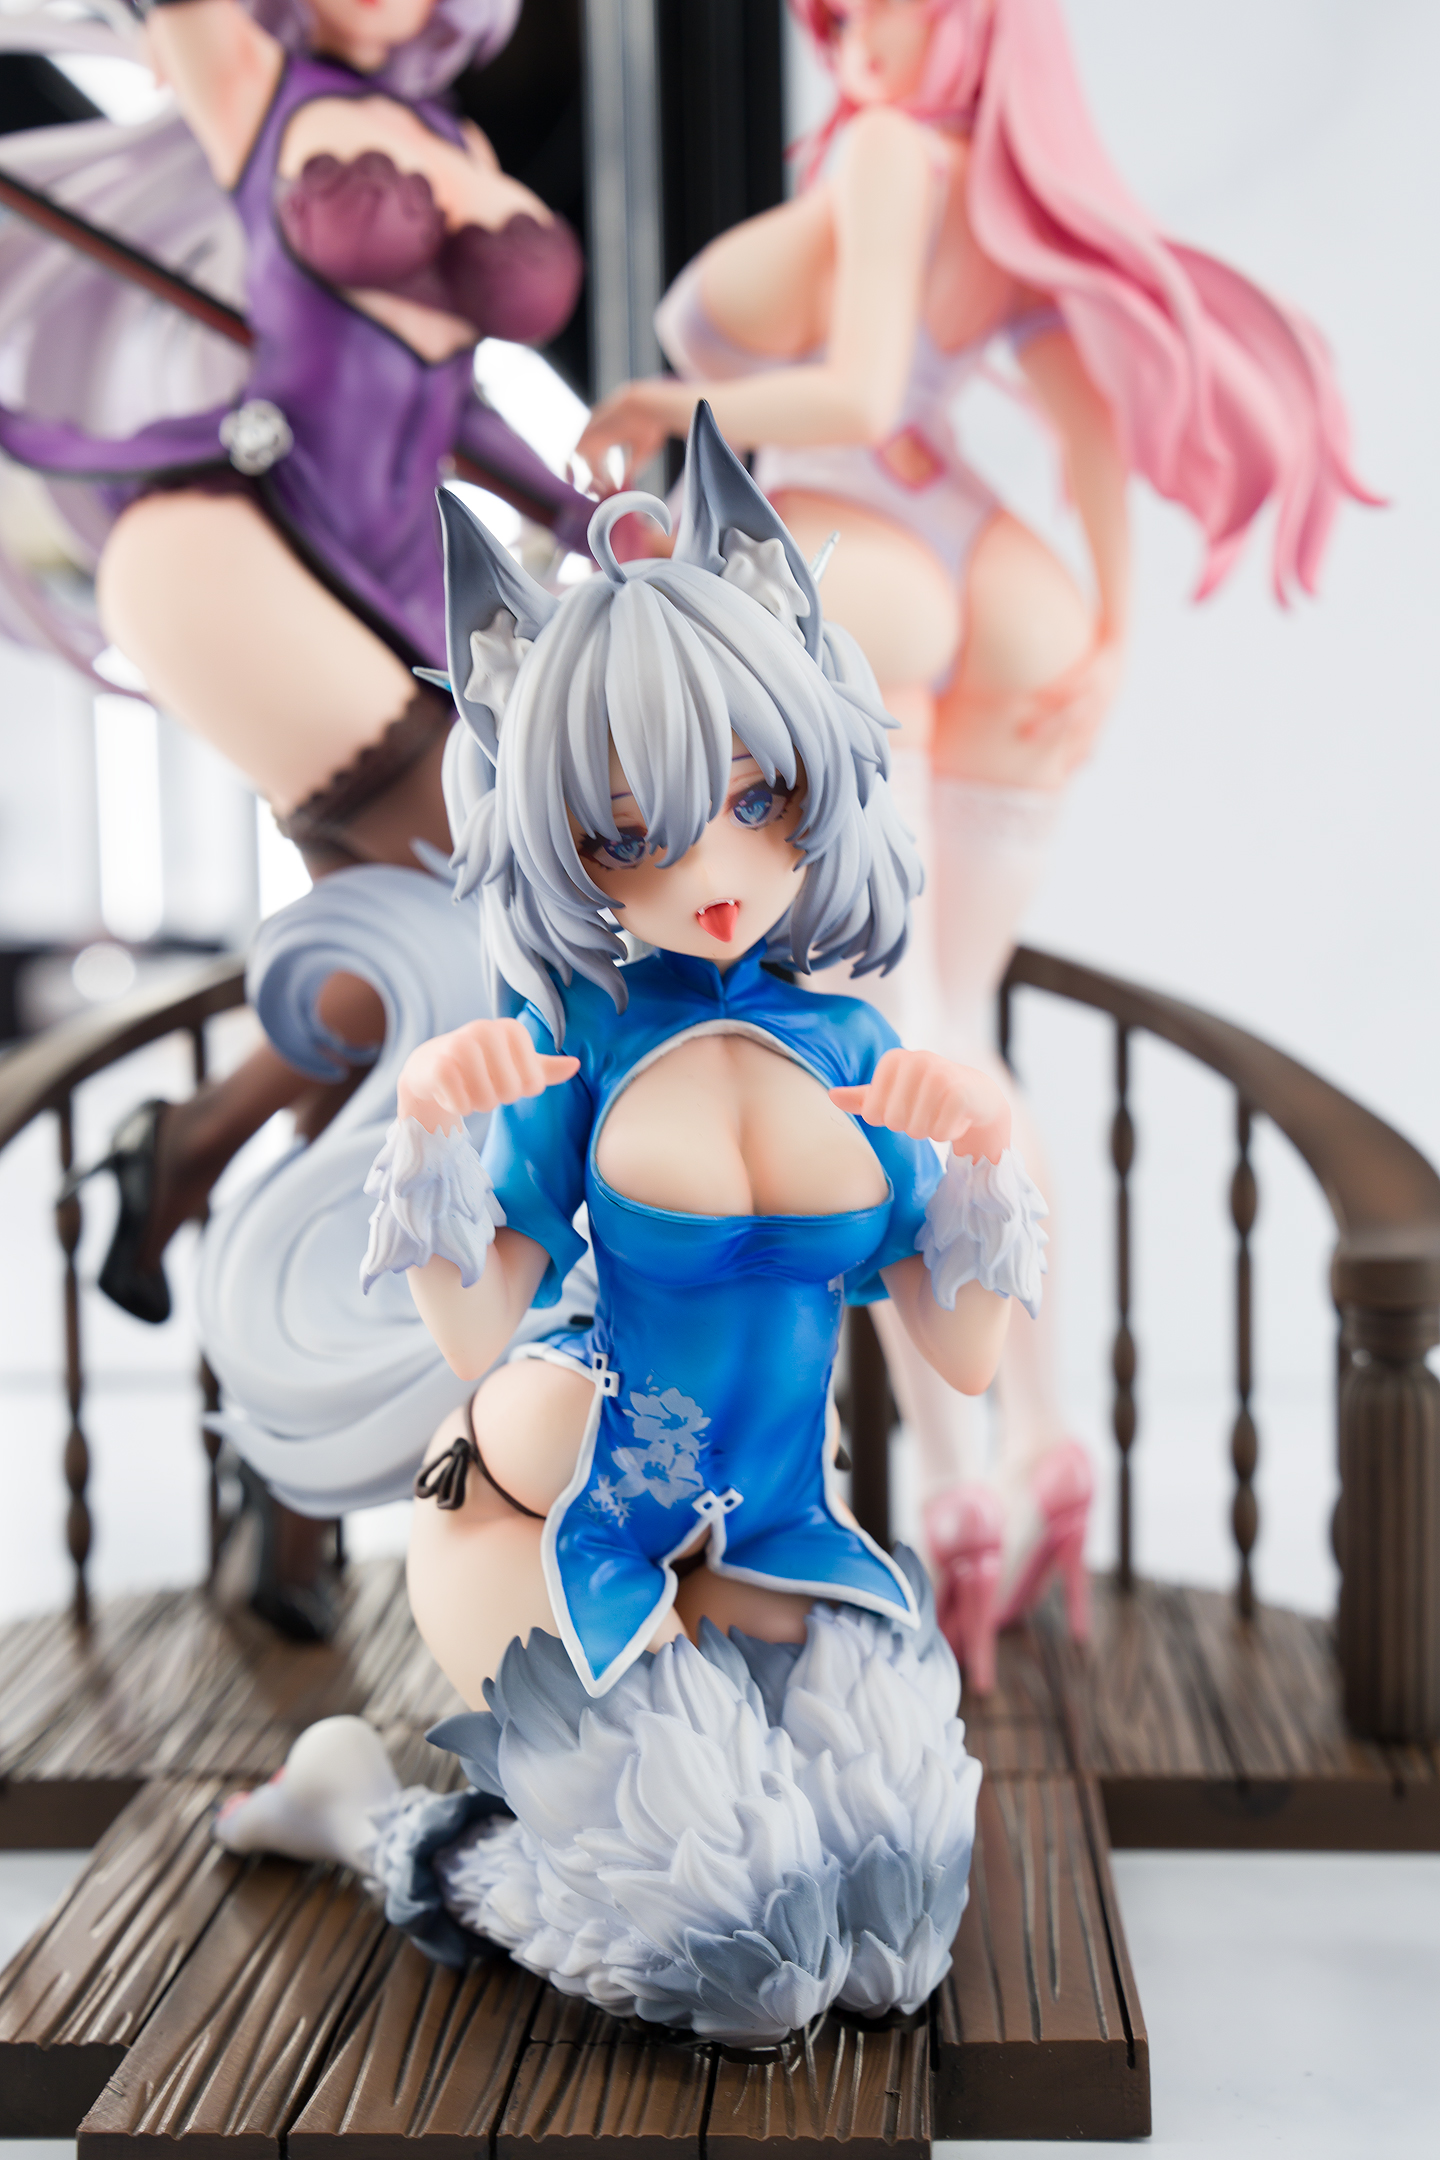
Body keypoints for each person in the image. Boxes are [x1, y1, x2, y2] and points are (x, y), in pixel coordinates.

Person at [213, 405, 1049, 2042]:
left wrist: (985, 1159)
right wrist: (432, 1130)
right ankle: (362, 1812)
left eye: (757, 798)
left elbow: (958, 1357)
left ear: (816, 773)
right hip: (560, 1515)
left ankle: (629, 1780)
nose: (715, 866)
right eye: (632, 831)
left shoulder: (857, 1048)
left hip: (777, 1530)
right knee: (742, 1963)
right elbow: (476, 1339)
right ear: (568, 844)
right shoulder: (580, 1047)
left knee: (893, 1932)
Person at [574, 0, 1375, 1684]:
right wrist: (1109, 640)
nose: (853, 31)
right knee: (964, 1030)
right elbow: (1086, 430)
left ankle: (955, 1492)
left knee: (902, 1045)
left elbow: (861, 388)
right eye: (840, 14)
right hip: (1009, 581)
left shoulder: (890, 153)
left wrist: (670, 392)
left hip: (862, 549)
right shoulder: (1008, 205)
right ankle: (1047, 1438)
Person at [0, 0, 594, 1325]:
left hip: (392, 572)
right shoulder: (247, 76)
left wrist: (581, 511)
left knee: (413, 940)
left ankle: (218, 1180)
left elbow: (452, 392)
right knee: (494, 874)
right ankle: (241, 1187)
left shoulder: (455, 136)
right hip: (231, 546)